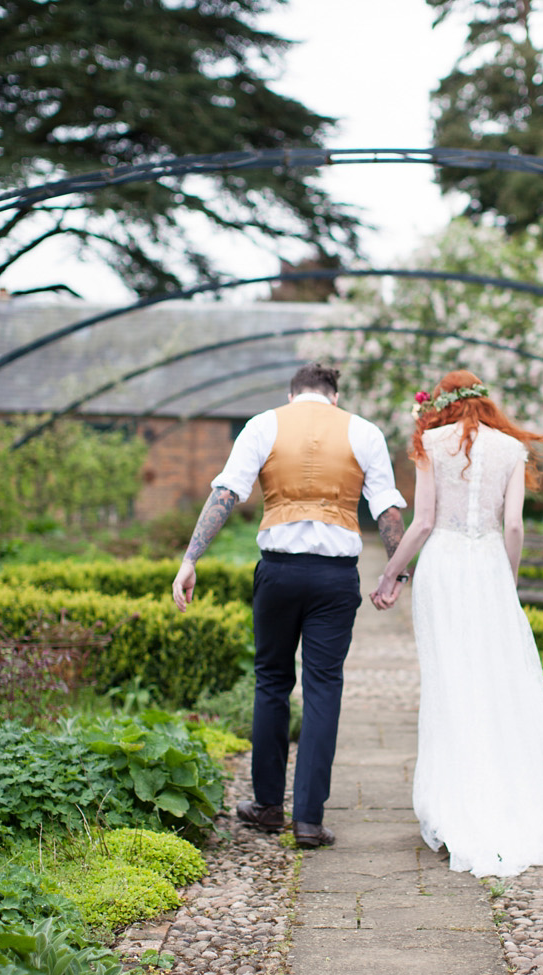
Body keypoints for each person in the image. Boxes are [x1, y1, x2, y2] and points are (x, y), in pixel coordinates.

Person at [370, 370, 543, 877]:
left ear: (443, 403)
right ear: (485, 402)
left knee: (451, 683)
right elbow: (514, 525)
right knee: (498, 683)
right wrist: (507, 581)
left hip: (444, 570)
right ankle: (508, 798)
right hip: (489, 567)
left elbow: (424, 522)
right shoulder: (511, 450)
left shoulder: (431, 442)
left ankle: (456, 805)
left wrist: (391, 573)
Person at [173, 362, 405, 848]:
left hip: (277, 573)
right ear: (335, 397)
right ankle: (309, 820)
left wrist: (190, 558)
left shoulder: (264, 424)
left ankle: (268, 806)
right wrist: (395, 573)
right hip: (335, 578)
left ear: (291, 394)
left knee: (272, 681)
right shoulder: (364, 432)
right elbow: (386, 508)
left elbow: (226, 493)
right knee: (323, 688)